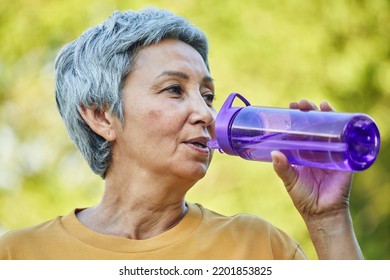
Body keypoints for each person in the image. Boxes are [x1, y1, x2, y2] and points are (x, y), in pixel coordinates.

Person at [0, 7, 363, 260]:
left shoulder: (258, 247)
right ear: (101, 116)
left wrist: (327, 220)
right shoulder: (19, 256)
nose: (206, 113)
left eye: (208, 96)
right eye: (174, 89)